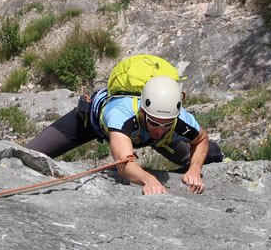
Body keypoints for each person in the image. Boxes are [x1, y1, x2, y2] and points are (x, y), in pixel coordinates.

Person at [24, 76, 224, 195]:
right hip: (89, 124)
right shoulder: (120, 115)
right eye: (155, 122)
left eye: (167, 123)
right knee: (27, 154)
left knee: (202, 157)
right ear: (142, 111)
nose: (160, 129)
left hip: (150, 138)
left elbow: (201, 139)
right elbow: (123, 163)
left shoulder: (178, 119)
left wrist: (194, 170)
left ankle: (219, 154)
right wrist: (147, 179)